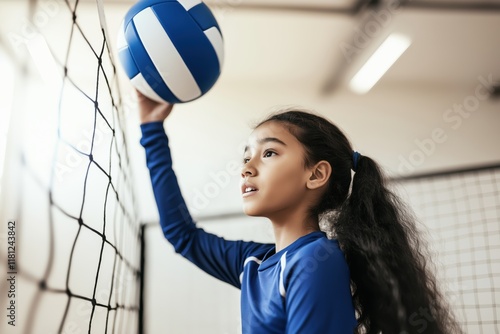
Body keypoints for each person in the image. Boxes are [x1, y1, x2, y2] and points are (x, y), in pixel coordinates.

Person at [137, 91, 462, 333]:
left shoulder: (313, 261)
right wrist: (151, 126)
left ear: (316, 174)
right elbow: (182, 235)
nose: (247, 168)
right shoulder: (257, 264)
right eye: (246, 156)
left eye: (269, 152)